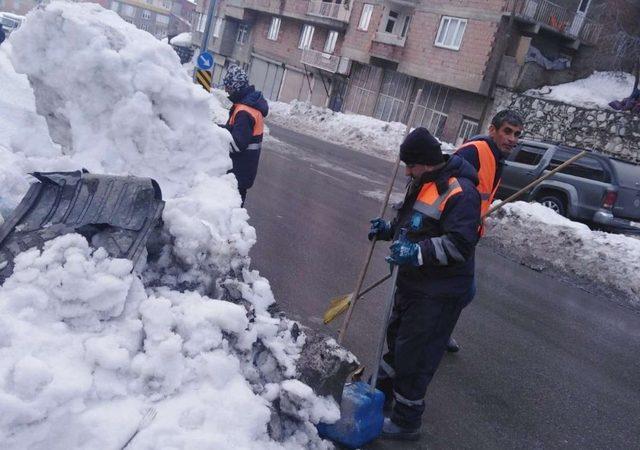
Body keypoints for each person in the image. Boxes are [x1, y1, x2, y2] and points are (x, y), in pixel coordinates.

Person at [368, 127, 481, 441]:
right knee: (399, 340)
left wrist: (415, 252)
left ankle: (407, 420)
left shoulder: (461, 193)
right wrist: (389, 230)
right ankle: (382, 392)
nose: (406, 171)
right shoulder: (423, 182)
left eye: (410, 165)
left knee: (416, 355)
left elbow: (459, 245)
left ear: (426, 162)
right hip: (413, 284)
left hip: (439, 292)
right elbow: (414, 224)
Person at [445, 109, 524, 353]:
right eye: (507, 131)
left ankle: (439, 331)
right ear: (492, 130)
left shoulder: (496, 158)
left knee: (460, 291)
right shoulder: (475, 151)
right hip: (453, 233)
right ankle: (434, 332)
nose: (512, 138)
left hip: (467, 234)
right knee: (462, 290)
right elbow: (445, 185)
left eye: (517, 134)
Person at [220, 65, 268, 207]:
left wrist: (215, 138)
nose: (226, 90)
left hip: (237, 173)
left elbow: (236, 144)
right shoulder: (249, 107)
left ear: (236, 87)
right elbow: (235, 132)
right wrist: (219, 129)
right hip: (244, 171)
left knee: (231, 213)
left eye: (228, 87)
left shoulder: (244, 112)